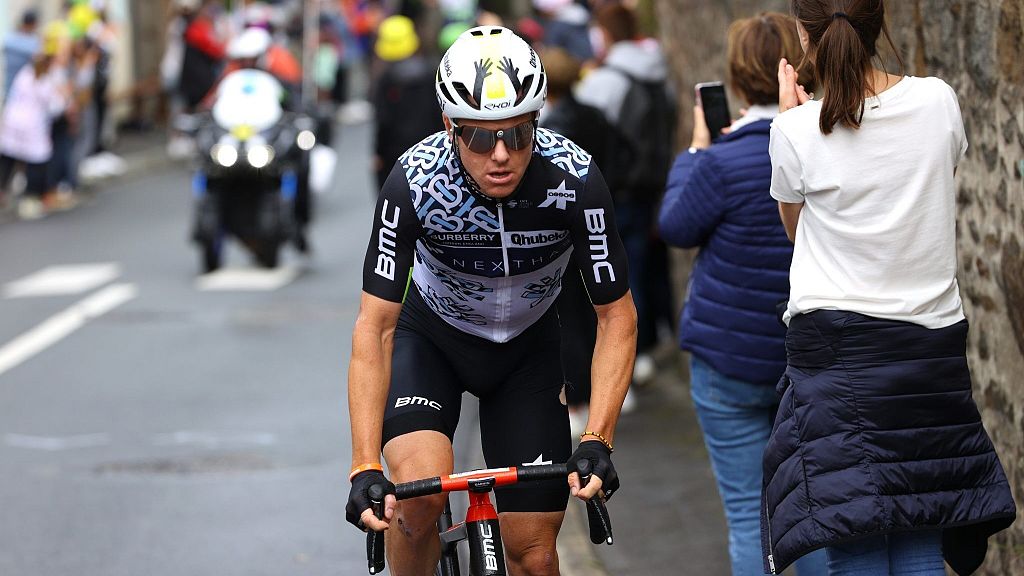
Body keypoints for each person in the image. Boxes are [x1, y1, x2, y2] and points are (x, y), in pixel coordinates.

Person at [345, 26, 637, 575]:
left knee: (533, 555)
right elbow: (375, 327)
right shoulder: (414, 183)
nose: (501, 155)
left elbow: (616, 317)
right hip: (431, 340)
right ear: (449, 127)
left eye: (520, 135)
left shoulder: (575, 181)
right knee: (418, 497)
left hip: (527, 355)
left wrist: (599, 436)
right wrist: (363, 465)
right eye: (479, 138)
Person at [762, 1, 1016, 575]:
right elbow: (929, 192)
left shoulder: (795, 129)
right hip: (929, 347)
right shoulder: (938, 102)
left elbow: (798, 232)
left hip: (837, 352)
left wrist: (791, 122)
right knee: (921, 521)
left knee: (854, 535)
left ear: (806, 35)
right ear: (880, 24)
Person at [657, 12, 826, 576]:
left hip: (727, 366)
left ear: (734, 80)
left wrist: (697, 151)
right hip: (804, 362)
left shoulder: (720, 163)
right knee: (821, 511)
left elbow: (676, 226)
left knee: (751, 519)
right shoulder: (824, 145)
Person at [575, 1, 675, 392]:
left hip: (618, 188)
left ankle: (630, 356)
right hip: (654, 180)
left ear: (605, 33)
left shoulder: (606, 79)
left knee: (620, 275)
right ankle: (649, 345)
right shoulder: (658, 68)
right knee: (648, 263)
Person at [539, 46, 612, 435]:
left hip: (567, 233)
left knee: (570, 319)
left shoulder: (552, 132)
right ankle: (602, 391)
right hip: (599, 222)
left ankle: (579, 400)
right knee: (597, 311)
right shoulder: (596, 116)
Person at [0, 23, 70, 219]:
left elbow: (13, 95)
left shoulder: (26, 73)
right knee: (35, 163)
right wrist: (64, 97)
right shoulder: (47, 80)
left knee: (8, 158)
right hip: (32, 125)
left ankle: (3, 192)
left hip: (14, 121)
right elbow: (56, 107)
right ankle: (30, 199)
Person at [369, 15, 444, 192]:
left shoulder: (386, 80)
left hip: (395, 157)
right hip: (433, 151)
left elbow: (383, 121)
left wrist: (378, 153)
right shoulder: (432, 72)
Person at [3, 9, 41, 101]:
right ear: (33, 24)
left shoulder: (10, 39)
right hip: (22, 94)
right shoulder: (33, 44)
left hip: (9, 88)